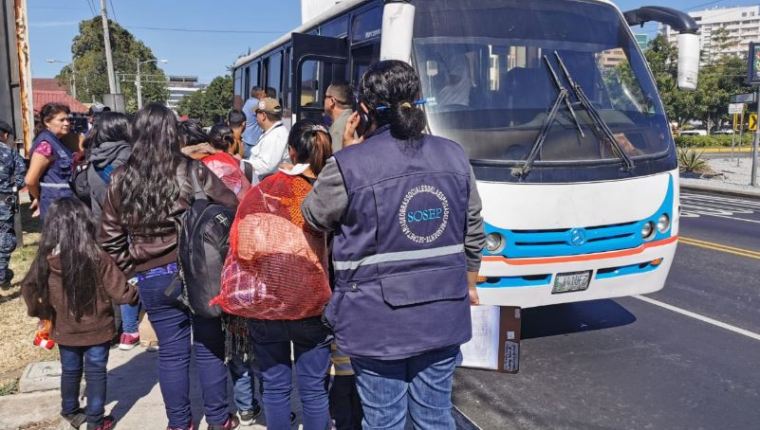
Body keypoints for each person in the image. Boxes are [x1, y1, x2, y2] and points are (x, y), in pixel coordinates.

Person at [302, 60, 485, 429]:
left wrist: (346, 150)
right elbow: (474, 229)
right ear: (416, 100)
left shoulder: (349, 164)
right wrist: (469, 281)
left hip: (376, 322)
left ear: (364, 110)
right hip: (443, 314)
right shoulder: (454, 154)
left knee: (384, 420)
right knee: (435, 416)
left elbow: (314, 216)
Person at [99, 103, 240, 430]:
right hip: (197, 272)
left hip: (151, 277)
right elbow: (230, 206)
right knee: (209, 346)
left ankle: (180, 424)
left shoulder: (121, 177)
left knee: (172, 354)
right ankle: (219, 420)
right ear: (171, 132)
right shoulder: (192, 170)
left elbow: (108, 236)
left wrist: (134, 266)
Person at [217, 120, 333, 430]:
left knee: (276, 388)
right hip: (314, 305)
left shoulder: (265, 190)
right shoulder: (329, 192)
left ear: (291, 151)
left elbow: (242, 246)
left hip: (267, 304)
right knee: (314, 390)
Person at [21, 197, 138, 430]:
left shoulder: (45, 259)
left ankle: (71, 410)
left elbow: (28, 288)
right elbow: (122, 294)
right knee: (96, 372)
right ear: (86, 224)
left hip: (64, 328)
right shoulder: (98, 257)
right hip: (98, 329)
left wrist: (43, 314)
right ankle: (96, 421)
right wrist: (134, 290)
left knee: (70, 370)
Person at [81, 112, 139, 350]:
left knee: (108, 278)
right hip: (127, 227)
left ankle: (110, 330)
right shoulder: (129, 157)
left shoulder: (93, 160)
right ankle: (130, 330)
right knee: (129, 277)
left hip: (100, 227)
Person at [26, 103, 74, 219]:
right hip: (55, 206)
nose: (67, 123)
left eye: (68, 119)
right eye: (61, 120)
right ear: (47, 122)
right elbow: (30, 180)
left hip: (65, 202)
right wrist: (39, 197)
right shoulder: (45, 145)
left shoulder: (59, 142)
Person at [0, 121, 25, 289]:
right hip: (3, 202)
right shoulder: (10, 153)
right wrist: (12, 188)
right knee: (4, 239)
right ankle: (2, 275)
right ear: (6, 135)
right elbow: (22, 177)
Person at [240, 98, 289, 180]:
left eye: (256, 114)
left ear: (263, 116)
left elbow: (265, 166)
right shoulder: (272, 132)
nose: (255, 117)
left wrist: (240, 164)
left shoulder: (277, 136)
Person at [324, 83, 354, 153]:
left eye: (325, 96)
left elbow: (337, 162)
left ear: (332, 101)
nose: (324, 100)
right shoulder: (354, 120)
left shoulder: (338, 130)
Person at [241, 87, 265, 158]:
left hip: (246, 138)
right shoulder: (257, 103)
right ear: (259, 94)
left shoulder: (248, 101)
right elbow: (270, 111)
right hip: (252, 141)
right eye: (263, 93)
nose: (265, 94)